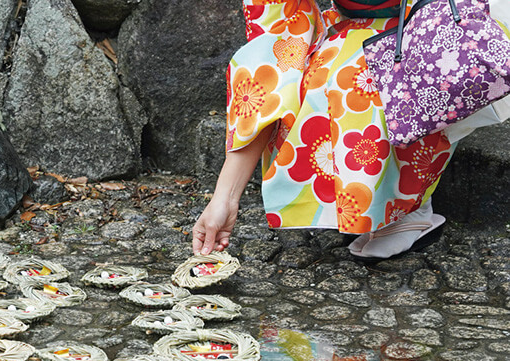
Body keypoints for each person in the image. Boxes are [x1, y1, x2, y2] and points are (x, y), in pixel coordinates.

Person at [192, 0, 508, 260]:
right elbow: (270, 64)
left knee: (363, 80)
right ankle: (382, 203)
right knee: (315, 75)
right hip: (363, 26)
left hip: (456, 20)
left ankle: (411, 207)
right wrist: (225, 197)